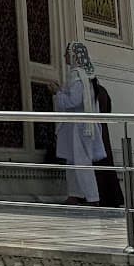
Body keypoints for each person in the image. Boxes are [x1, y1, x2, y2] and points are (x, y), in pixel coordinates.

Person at [52, 42, 106, 205]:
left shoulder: (77, 75)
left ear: (74, 56)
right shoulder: (86, 75)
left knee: (82, 162)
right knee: (72, 161)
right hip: (79, 126)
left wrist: (57, 93)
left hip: (80, 127)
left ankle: (92, 197)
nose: (64, 57)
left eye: (67, 54)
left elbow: (74, 101)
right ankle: (74, 194)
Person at [90, 77, 125, 208]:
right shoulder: (103, 91)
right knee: (107, 162)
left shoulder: (92, 92)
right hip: (103, 129)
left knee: (97, 163)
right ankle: (113, 197)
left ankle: (101, 196)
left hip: (95, 130)